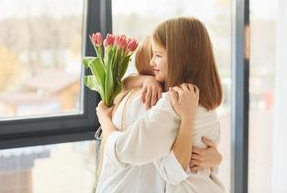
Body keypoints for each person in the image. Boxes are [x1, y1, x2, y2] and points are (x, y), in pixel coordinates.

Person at [96, 17, 225, 192]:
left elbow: (123, 151)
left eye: (157, 55)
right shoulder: (205, 102)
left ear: (179, 58)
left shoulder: (171, 103)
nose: (151, 62)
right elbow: (201, 164)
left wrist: (105, 122)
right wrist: (217, 158)